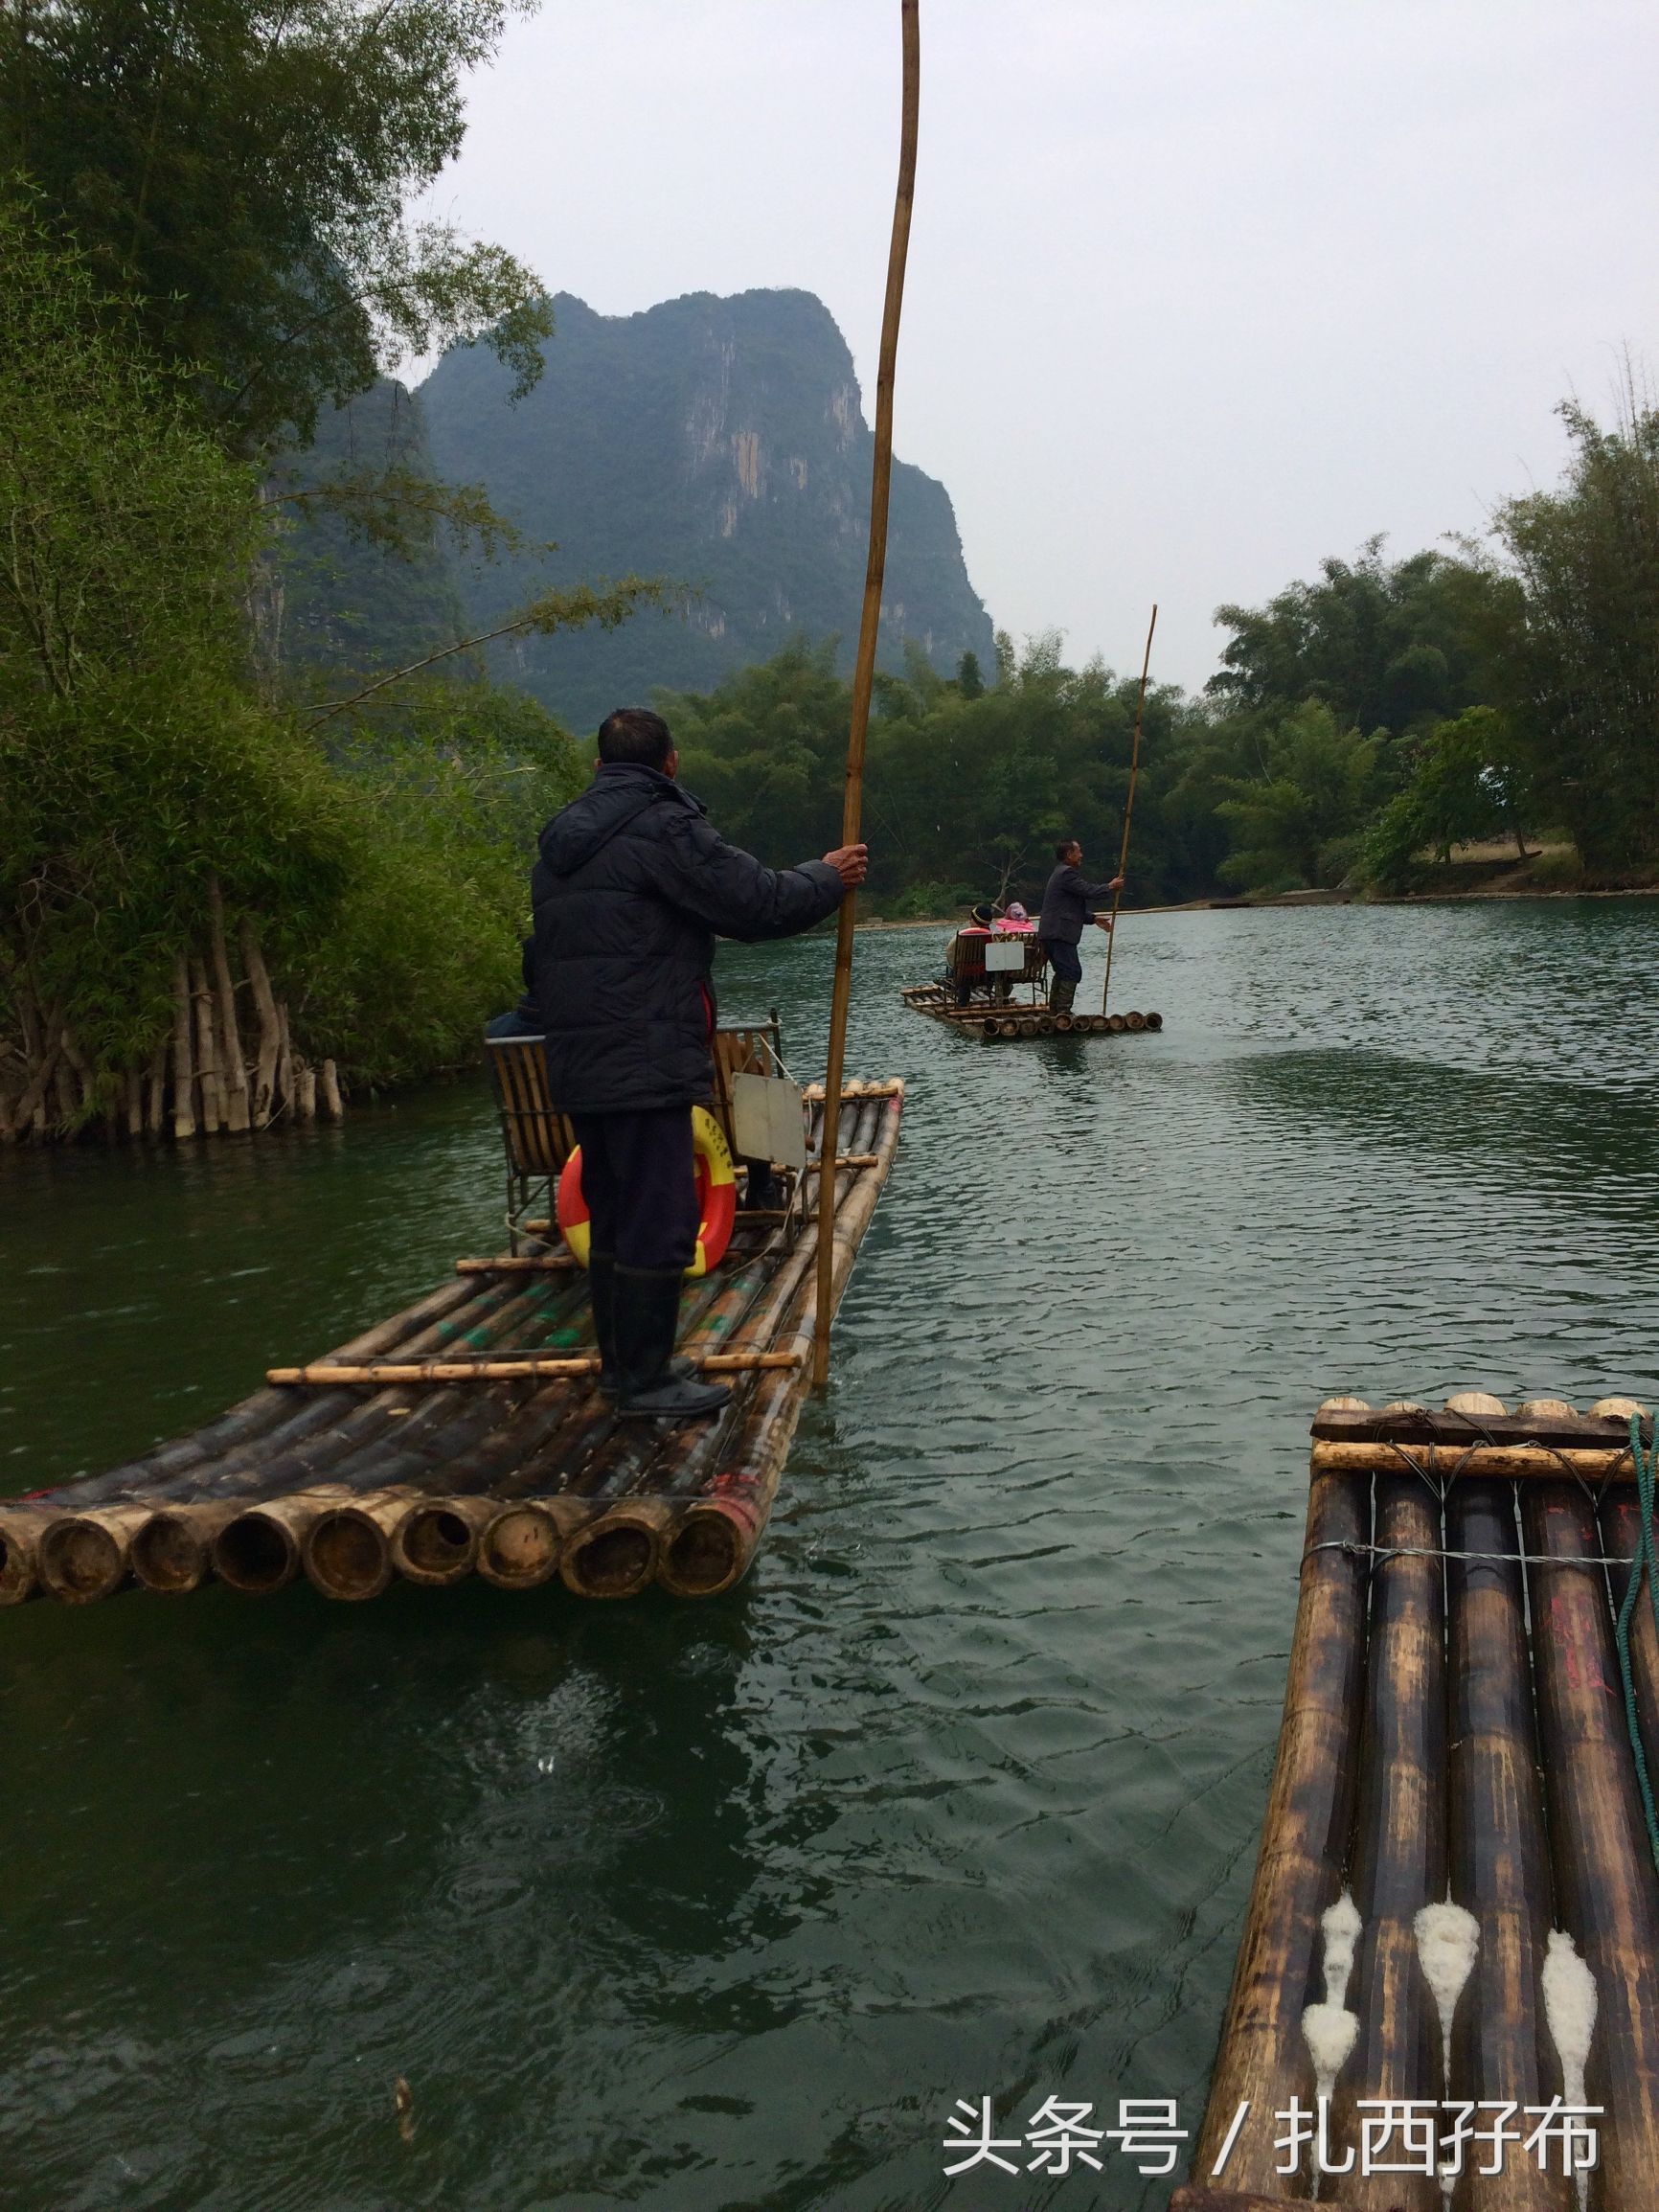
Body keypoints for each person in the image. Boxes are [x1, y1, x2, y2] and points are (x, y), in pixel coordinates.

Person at [531, 707, 868, 1420]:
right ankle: (645, 1384)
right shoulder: (662, 825)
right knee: (659, 1217)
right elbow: (758, 904)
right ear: (672, 763)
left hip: (580, 1060)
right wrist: (827, 876)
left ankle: (627, 1370)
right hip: (645, 1054)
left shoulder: (562, 842)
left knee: (614, 1215)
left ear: (598, 768)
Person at [1036, 839, 1124, 1016]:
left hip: (1051, 933)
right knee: (1072, 971)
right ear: (1069, 854)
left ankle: (1056, 1012)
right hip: (1059, 934)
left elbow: (1066, 908)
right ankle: (1063, 1012)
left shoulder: (1059, 873)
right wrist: (1110, 887)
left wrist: (1093, 919)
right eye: (1078, 852)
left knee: (1063, 971)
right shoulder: (1066, 873)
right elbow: (1088, 891)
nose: (1081, 855)